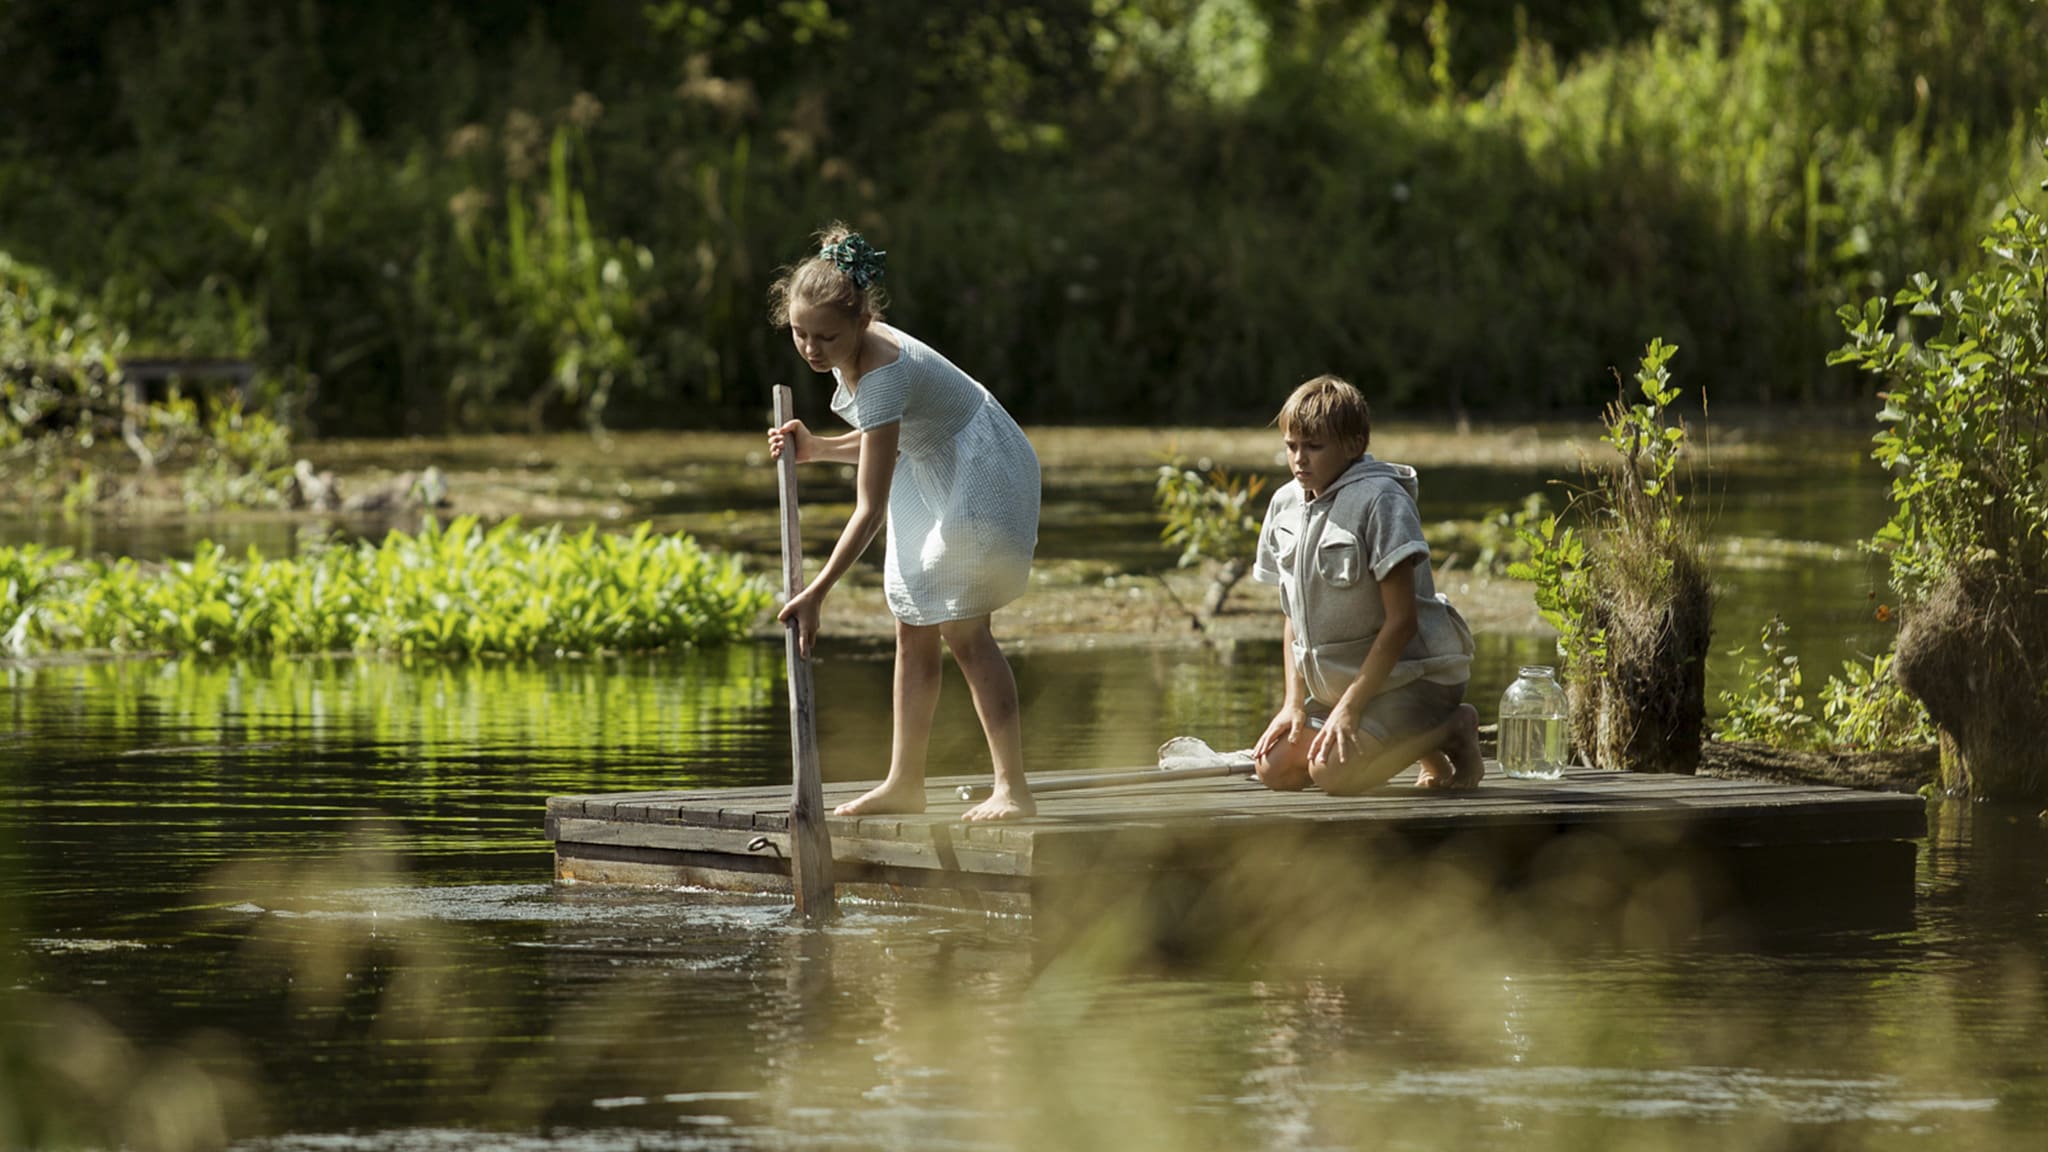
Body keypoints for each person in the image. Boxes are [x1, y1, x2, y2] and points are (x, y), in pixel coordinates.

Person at [765, 224, 1041, 822]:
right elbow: (885, 437)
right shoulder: (854, 349)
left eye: (825, 337)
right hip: (933, 462)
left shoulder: (883, 369)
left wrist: (818, 592)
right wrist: (816, 448)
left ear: (861, 320)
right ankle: (903, 783)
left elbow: (868, 506)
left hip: (980, 467)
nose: (812, 348)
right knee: (910, 624)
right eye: (799, 334)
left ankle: (1012, 789)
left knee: (965, 633)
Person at [1249, 375, 1483, 795]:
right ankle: (1404, 741)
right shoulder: (1285, 504)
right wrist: (1292, 705)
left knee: (1334, 775)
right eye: (1291, 446)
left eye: (1314, 447)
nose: (1300, 459)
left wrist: (1349, 710)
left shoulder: (1382, 501)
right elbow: (1292, 615)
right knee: (1274, 768)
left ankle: (1450, 728)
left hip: (1414, 680)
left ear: (1354, 445)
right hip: (1343, 686)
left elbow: (1402, 622)